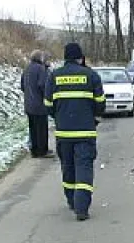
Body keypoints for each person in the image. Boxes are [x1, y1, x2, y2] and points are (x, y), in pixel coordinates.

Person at [43, 42, 105, 221]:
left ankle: (71, 200)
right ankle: (82, 208)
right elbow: (100, 103)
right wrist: (93, 116)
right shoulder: (91, 75)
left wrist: (60, 116)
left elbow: (48, 105)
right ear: (80, 58)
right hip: (85, 132)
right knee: (84, 167)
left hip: (63, 133)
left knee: (68, 168)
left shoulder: (54, 76)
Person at [20, 50, 52, 158]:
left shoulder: (26, 69)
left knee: (32, 128)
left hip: (28, 104)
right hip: (39, 104)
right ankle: (42, 151)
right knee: (42, 128)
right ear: (40, 58)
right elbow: (43, 85)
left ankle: (34, 150)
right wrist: (47, 97)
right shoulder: (41, 69)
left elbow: (22, 86)